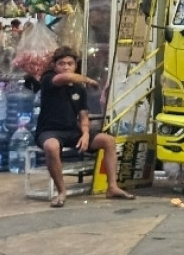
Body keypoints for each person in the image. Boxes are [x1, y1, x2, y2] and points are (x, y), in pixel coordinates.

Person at [35, 46, 135, 207]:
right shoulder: (48, 79)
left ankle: (112, 187)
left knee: (108, 141)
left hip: (72, 131)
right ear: (54, 66)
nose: (66, 67)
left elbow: (83, 116)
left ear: (76, 65)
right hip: (49, 131)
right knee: (51, 147)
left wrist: (86, 134)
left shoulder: (78, 89)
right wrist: (89, 80)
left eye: (70, 63)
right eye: (61, 64)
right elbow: (65, 77)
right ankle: (61, 192)